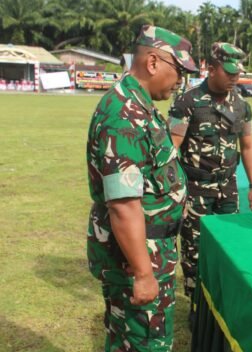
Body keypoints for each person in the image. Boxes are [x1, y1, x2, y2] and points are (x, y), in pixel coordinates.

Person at [86, 24, 198, 351]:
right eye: (179, 71)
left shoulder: (139, 104)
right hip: (137, 258)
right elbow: (123, 205)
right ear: (152, 63)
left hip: (151, 251)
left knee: (130, 341)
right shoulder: (124, 114)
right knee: (143, 344)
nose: (180, 81)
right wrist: (143, 273)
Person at [168, 42, 252, 313]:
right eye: (229, 72)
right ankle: (197, 307)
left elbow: (248, 145)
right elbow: (171, 146)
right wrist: (170, 188)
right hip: (195, 188)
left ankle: (222, 301)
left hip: (227, 187)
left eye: (237, 73)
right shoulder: (187, 102)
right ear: (211, 68)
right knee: (195, 249)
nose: (234, 78)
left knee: (229, 244)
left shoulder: (242, 106)